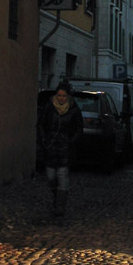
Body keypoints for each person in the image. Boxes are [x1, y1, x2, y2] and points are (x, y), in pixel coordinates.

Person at [37, 81, 83, 217]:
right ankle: (57, 196)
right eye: (59, 95)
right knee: (51, 176)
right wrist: (44, 140)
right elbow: (41, 124)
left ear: (68, 97)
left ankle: (60, 205)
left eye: (64, 96)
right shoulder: (49, 107)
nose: (61, 98)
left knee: (62, 175)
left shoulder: (74, 110)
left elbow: (79, 129)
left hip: (65, 148)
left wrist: (71, 141)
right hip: (50, 147)